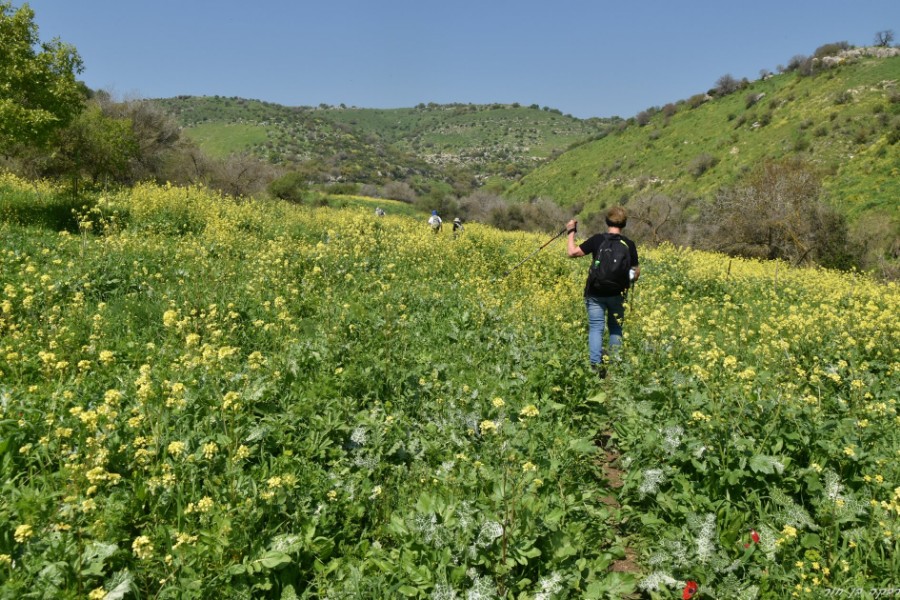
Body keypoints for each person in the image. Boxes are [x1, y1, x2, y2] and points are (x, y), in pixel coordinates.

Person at [566, 206, 640, 377]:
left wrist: (571, 231)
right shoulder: (629, 245)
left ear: (607, 222)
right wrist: (625, 277)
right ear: (624, 224)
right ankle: (613, 367)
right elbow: (634, 274)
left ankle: (595, 367)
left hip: (595, 293)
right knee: (615, 328)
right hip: (618, 294)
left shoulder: (598, 240)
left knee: (596, 328)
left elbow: (572, 252)